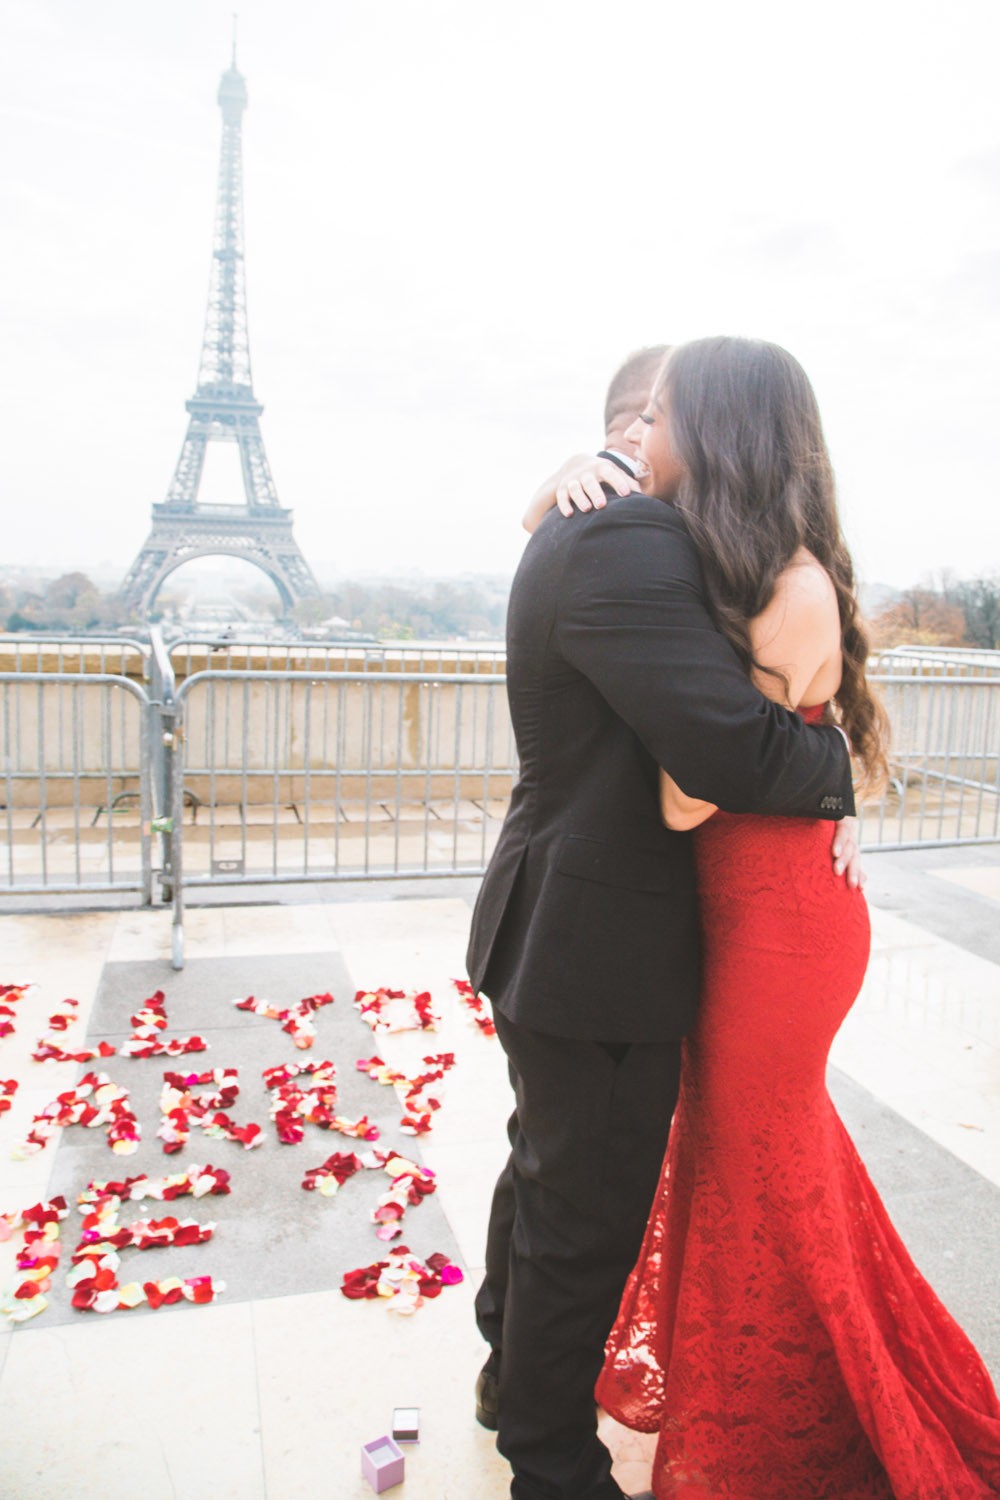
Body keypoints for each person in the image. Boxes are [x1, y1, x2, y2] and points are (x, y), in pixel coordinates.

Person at [582, 336, 1000, 1498]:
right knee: (763, 1162)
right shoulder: (745, 574)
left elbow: (684, 794)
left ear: (719, 435)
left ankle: (782, 1417)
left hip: (778, 929)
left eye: (661, 417)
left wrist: (656, 703)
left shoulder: (794, 587)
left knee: (756, 1161)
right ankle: (811, 1381)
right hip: (747, 910)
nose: (641, 436)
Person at [465, 345, 860, 1500]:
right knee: (582, 1217)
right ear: (630, 427)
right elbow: (722, 745)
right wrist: (839, 757)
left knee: (548, 1180)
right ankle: (550, 1463)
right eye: (641, 419)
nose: (650, 436)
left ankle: (507, 1375)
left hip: (566, 928)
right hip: (597, 945)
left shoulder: (598, 526)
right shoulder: (625, 537)